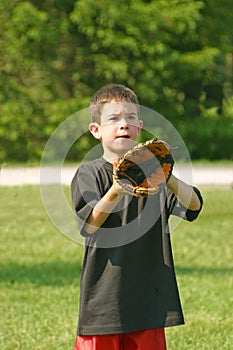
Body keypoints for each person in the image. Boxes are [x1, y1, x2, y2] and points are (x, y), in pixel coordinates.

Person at [71, 83, 203, 350]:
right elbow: (89, 224)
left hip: (148, 301)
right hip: (104, 302)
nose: (124, 124)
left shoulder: (154, 177)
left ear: (140, 127)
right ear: (96, 131)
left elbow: (194, 207)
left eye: (131, 118)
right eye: (114, 119)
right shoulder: (89, 173)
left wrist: (169, 178)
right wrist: (116, 190)